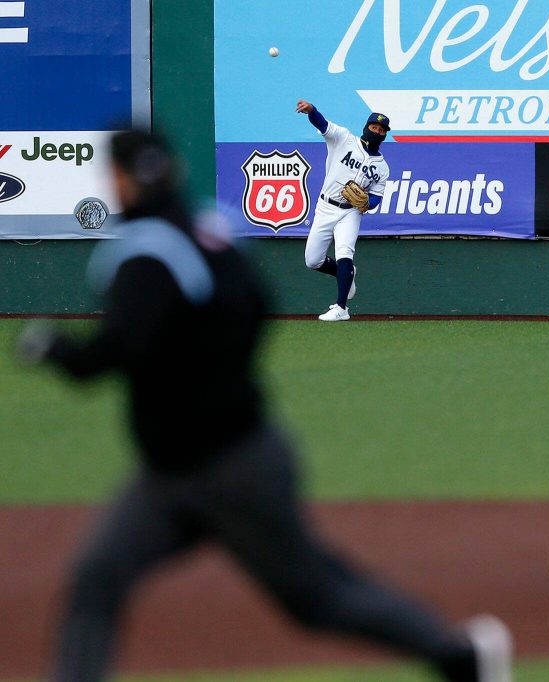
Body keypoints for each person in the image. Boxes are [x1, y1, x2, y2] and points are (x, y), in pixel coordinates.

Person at [16, 130, 512, 682]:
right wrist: (216, 370)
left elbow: (116, 351)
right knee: (99, 572)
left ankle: (461, 657)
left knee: (316, 597)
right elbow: (257, 304)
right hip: (177, 470)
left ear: (118, 178)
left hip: (231, 470)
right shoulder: (211, 227)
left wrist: (56, 350)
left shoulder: (143, 252)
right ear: (174, 171)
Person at [297, 99, 390, 321]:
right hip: (325, 206)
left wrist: (367, 203)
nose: (376, 131)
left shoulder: (382, 167)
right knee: (313, 260)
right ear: (366, 127)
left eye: (381, 129)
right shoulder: (344, 139)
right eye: (373, 127)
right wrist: (311, 110)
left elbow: (376, 197)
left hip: (350, 212)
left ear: (385, 134)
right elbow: (322, 124)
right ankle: (347, 274)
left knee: (344, 253)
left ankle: (341, 308)